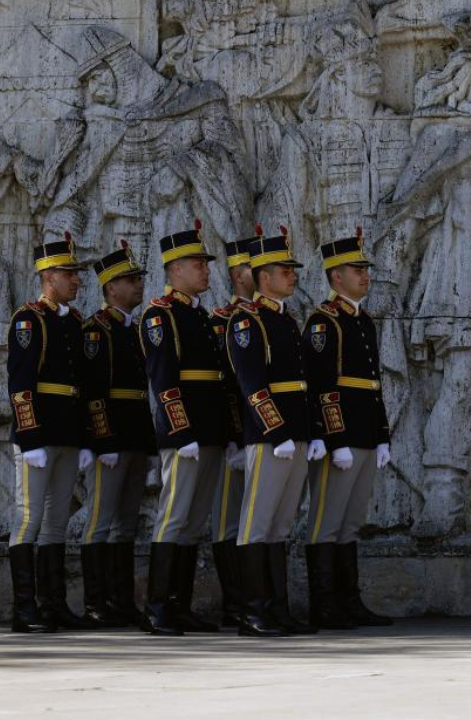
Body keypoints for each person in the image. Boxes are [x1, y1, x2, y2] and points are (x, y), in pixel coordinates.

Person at [227, 227, 324, 637]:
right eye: (285, 270)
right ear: (263, 276)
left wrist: (312, 431)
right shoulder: (248, 322)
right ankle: (254, 610)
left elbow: (305, 383)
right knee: (257, 522)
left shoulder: (286, 320)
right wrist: (277, 429)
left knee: (281, 524)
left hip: (295, 434)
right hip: (270, 436)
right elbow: (251, 383)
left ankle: (278, 608)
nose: (293, 275)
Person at [139, 221, 231, 636]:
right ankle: (158, 606)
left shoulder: (200, 317)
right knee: (173, 517)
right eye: (197, 264)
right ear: (175, 268)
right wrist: (181, 433)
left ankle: (180, 604)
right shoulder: (161, 316)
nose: (206, 270)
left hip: (209, 431)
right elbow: (163, 382)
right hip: (186, 434)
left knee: (194, 522)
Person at [302, 228, 393, 629]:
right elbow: (323, 388)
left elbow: (373, 385)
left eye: (365, 269)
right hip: (342, 438)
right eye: (356, 269)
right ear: (335, 276)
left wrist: (382, 436)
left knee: (350, 522)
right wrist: (334, 439)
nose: (364, 275)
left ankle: (349, 601)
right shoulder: (325, 323)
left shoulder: (362, 320)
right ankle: (324, 604)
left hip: (366, 434)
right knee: (327, 520)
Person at [6, 234, 93, 632]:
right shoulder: (29, 320)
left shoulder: (74, 322)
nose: (76, 281)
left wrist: (87, 439)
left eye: (75, 273)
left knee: (56, 520)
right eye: (69, 274)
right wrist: (29, 436)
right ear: (48, 277)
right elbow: (21, 383)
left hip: (68, 433)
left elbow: (83, 385)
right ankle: (24, 609)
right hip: (38, 435)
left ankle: (52, 604)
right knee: (28, 518)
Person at [80, 240, 156, 629]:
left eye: (139, 278)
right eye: (130, 280)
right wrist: (102, 440)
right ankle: (96, 602)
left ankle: (121, 599)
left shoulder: (135, 330)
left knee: (125, 522)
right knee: (100, 520)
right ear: (111, 287)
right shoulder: (97, 331)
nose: (139, 285)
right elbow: (93, 391)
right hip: (110, 439)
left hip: (135, 436)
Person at [206, 230, 259, 627]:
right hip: (235, 435)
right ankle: (236, 601)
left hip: (266, 436)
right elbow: (222, 384)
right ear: (239, 274)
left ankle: (258, 597)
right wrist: (230, 435)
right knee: (228, 519)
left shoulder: (272, 319)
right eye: (253, 268)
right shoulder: (221, 322)